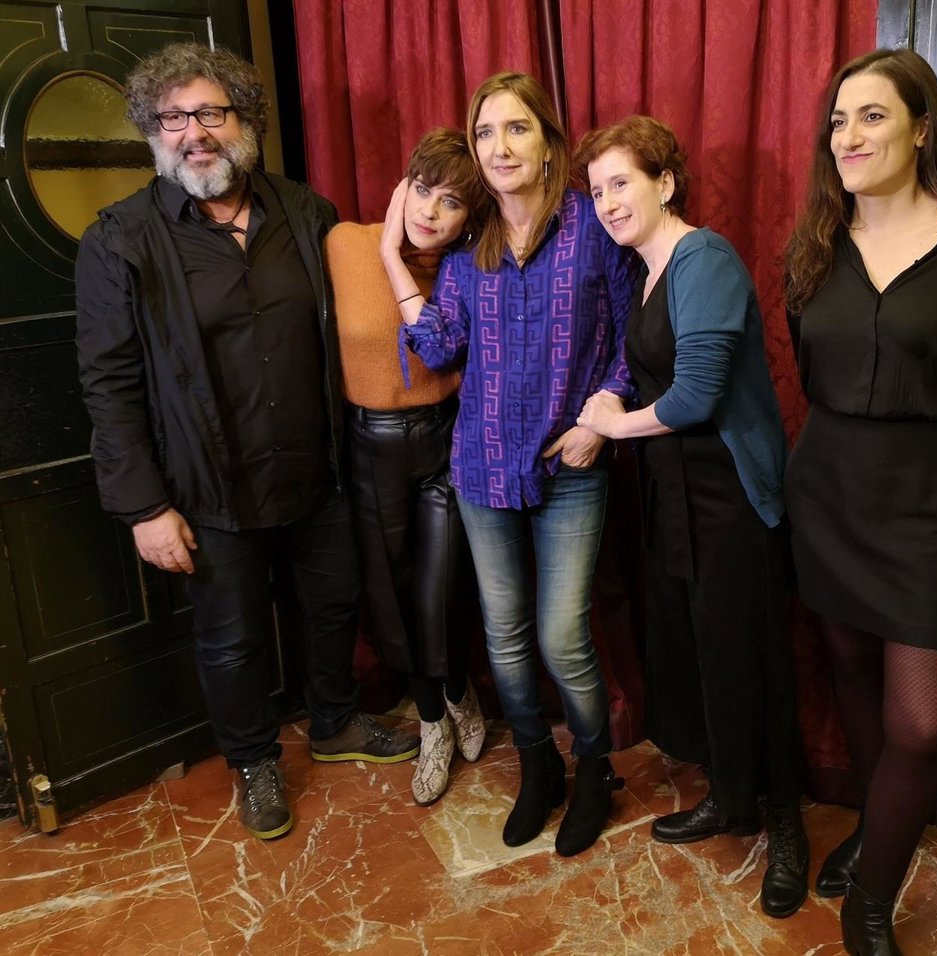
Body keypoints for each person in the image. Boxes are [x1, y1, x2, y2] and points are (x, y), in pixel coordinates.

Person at [74, 42, 419, 842]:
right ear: (153, 132)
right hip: (206, 483)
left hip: (317, 468)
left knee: (332, 606)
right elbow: (108, 384)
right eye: (172, 118)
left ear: (244, 120)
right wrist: (144, 507)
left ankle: (334, 723)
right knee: (231, 639)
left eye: (209, 112)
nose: (192, 132)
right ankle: (254, 761)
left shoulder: (306, 212)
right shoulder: (119, 239)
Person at [782, 49, 937, 955]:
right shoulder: (816, 245)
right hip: (830, 497)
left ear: (923, 128)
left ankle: (870, 903)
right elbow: (810, 372)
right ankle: (870, 834)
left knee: (919, 725)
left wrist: (936, 461)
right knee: (851, 675)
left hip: (935, 508)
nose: (848, 137)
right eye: (838, 121)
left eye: (873, 116)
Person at [385, 72, 636, 857]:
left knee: (564, 637)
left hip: (571, 464)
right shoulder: (469, 245)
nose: (499, 146)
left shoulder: (593, 226)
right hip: (482, 466)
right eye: (485, 133)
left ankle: (593, 770)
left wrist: (602, 419)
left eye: (516, 128)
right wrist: (394, 258)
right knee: (506, 638)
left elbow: (636, 334)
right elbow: (438, 346)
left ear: (549, 143)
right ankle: (538, 767)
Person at [575, 116, 807, 919]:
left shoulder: (702, 257)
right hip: (676, 497)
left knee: (754, 662)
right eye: (596, 190)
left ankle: (788, 828)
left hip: (728, 498)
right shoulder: (645, 270)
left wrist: (614, 427)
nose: (608, 202)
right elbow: (655, 381)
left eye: (622, 183)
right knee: (709, 659)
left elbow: (698, 396)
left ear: (665, 182)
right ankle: (731, 798)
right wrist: (612, 404)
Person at [325, 128, 487, 806]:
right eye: (423, 190)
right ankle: (432, 721)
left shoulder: (466, 270)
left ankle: (456, 688)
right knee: (391, 594)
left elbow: (447, 355)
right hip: (370, 444)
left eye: (451, 202)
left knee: (440, 593)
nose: (430, 211)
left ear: (468, 218)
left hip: (442, 439)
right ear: (402, 186)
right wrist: (384, 247)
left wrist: (397, 256)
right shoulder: (343, 245)